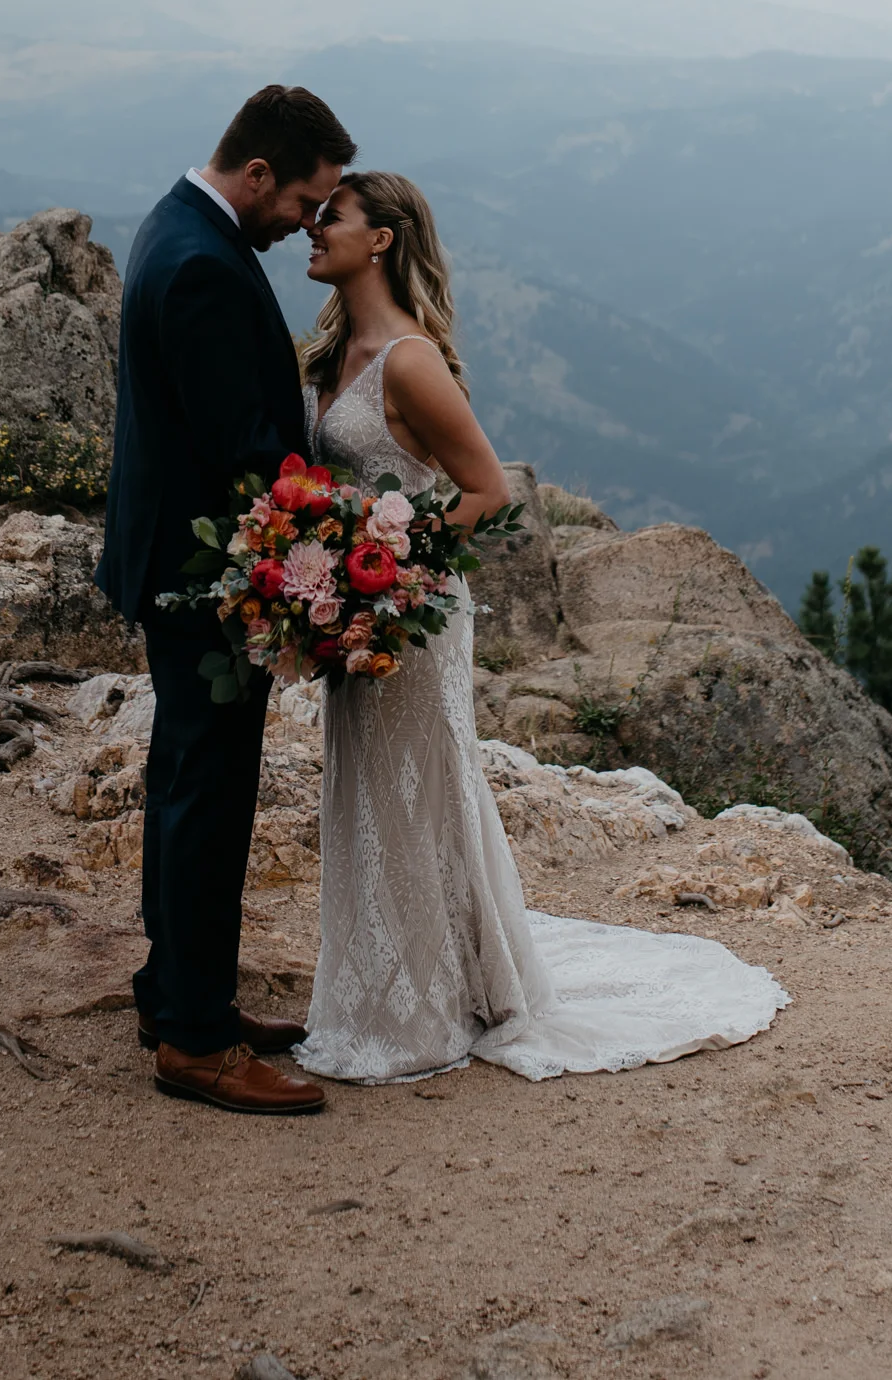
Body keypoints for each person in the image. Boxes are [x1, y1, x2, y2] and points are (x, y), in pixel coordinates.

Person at [293, 169, 789, 1083]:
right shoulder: (328, 354)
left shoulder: (408, 360)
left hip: (406, 615)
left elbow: (485, 490)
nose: (310, 228)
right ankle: (389, 984)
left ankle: (430, 1003)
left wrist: (393, 574)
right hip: (351, 612)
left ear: (382, 240)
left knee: (419, 788)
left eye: (332, 217)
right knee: (365, 788)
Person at [98, 83, 356, 1115]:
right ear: (256, 174)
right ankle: (197, 1042)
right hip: (203, 579)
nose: (305, 222)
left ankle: (176, 993)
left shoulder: (176, 225)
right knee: (208, 797)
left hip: (171, 562)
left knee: (184, 784)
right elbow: (244, 451)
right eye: (302, 200)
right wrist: (327, 554)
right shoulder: (203, 263)